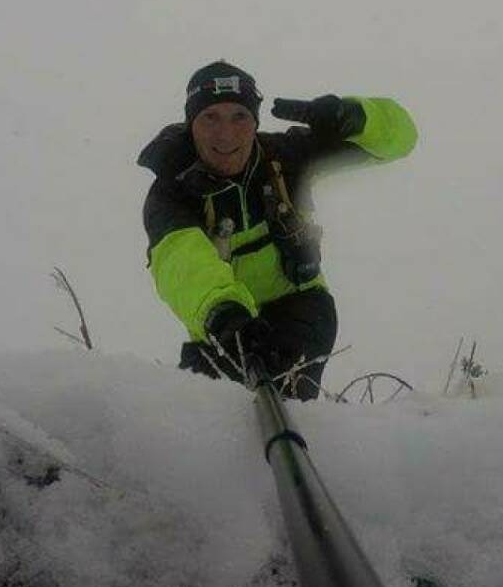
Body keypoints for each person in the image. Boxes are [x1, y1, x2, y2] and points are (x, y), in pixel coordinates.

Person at [137, 60, 417, 399]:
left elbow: (401, 140)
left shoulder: (286, 159)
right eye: (210, 117)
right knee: (207, 418)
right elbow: (181, 262)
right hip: (222, 322)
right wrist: (225, 315)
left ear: (255, 121)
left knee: (282, 400)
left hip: (298, 305)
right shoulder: (172, 192)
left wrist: (353, 118)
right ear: (190, 124)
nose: (226, 134)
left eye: (239, 116)